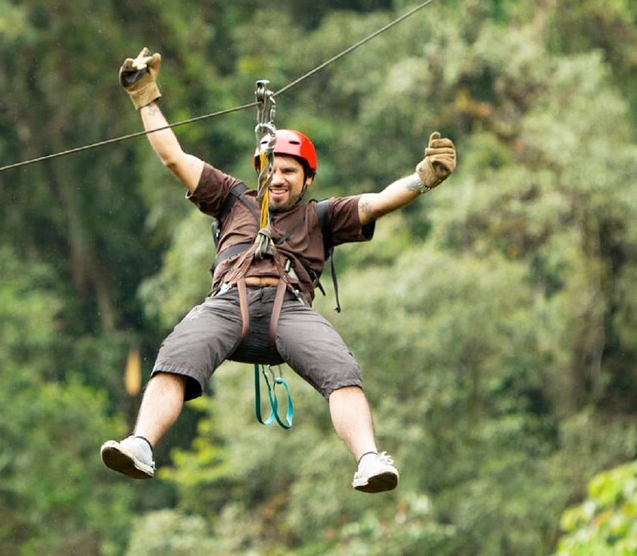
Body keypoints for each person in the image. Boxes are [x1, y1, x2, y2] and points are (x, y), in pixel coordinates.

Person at [100, 48, 456, 493]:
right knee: (175, 357)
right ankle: (141, 444)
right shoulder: (232, 199)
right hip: (229, 303)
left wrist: (422, 178)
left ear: (306, 179)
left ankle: (368, 458)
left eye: (289, 171)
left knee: (341, 371)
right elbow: (174, 157)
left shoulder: (321, 216)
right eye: (271, 169)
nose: (279, 177)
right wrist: (144, 95)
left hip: (289, 311)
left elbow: (378, 200)